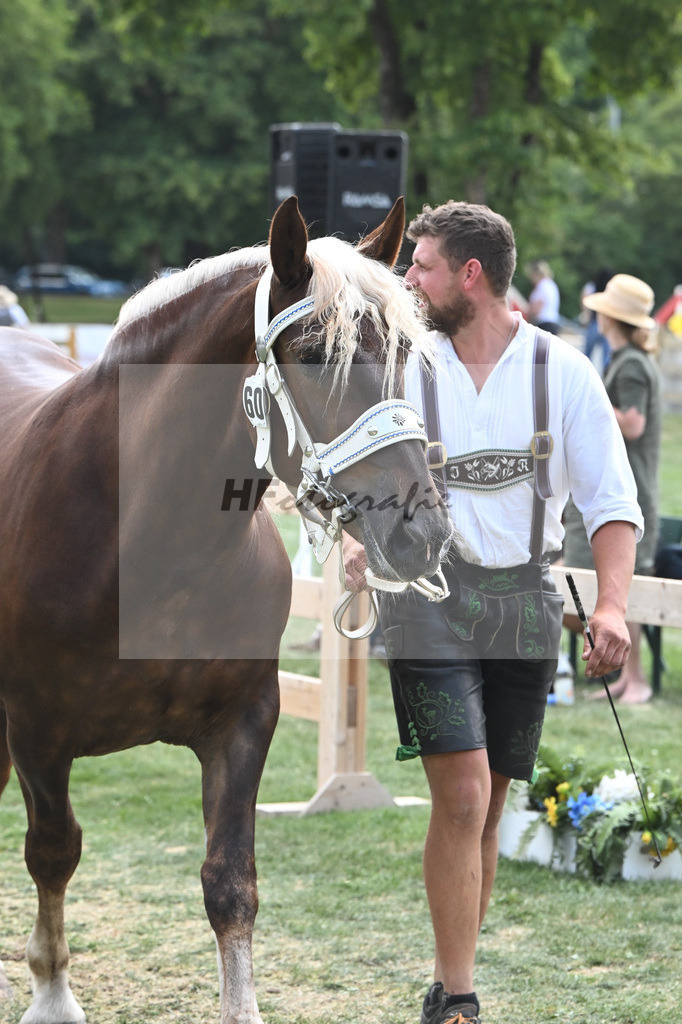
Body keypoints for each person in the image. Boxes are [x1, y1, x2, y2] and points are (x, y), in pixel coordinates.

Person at [342, 201, 642, 1024]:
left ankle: (448, 977)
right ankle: (463, 1002)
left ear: (470, 276)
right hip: (428, 597)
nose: (410, 279)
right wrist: (359, 539)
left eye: (423, 264)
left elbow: (614, 504)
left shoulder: (565, 371)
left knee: (490, 804)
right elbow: (356, 479)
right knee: (465, 795)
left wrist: (611, 604)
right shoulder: (404, 366)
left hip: (527, 601)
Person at [563, 273, 661, 704]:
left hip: (628, 497)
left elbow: (634, 423)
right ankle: (628, 678)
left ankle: (635, 680)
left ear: (610, 318)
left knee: (625, 598)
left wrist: (590, 398)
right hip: (630, 494)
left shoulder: (633, 364)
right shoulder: (626, 358)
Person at [581, 268, 613, 372]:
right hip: (607, 327)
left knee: (586, 356)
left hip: (594, 324)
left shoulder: (591, 287)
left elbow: (585, 302)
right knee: (607, 358)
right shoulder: (610, 291)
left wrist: (586, 317)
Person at [525, 259, 561, 335]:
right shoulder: (550, 284)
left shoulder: (542, 286)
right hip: (552, 323)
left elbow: (537, 308)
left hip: (544, 325)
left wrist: (527, 320)